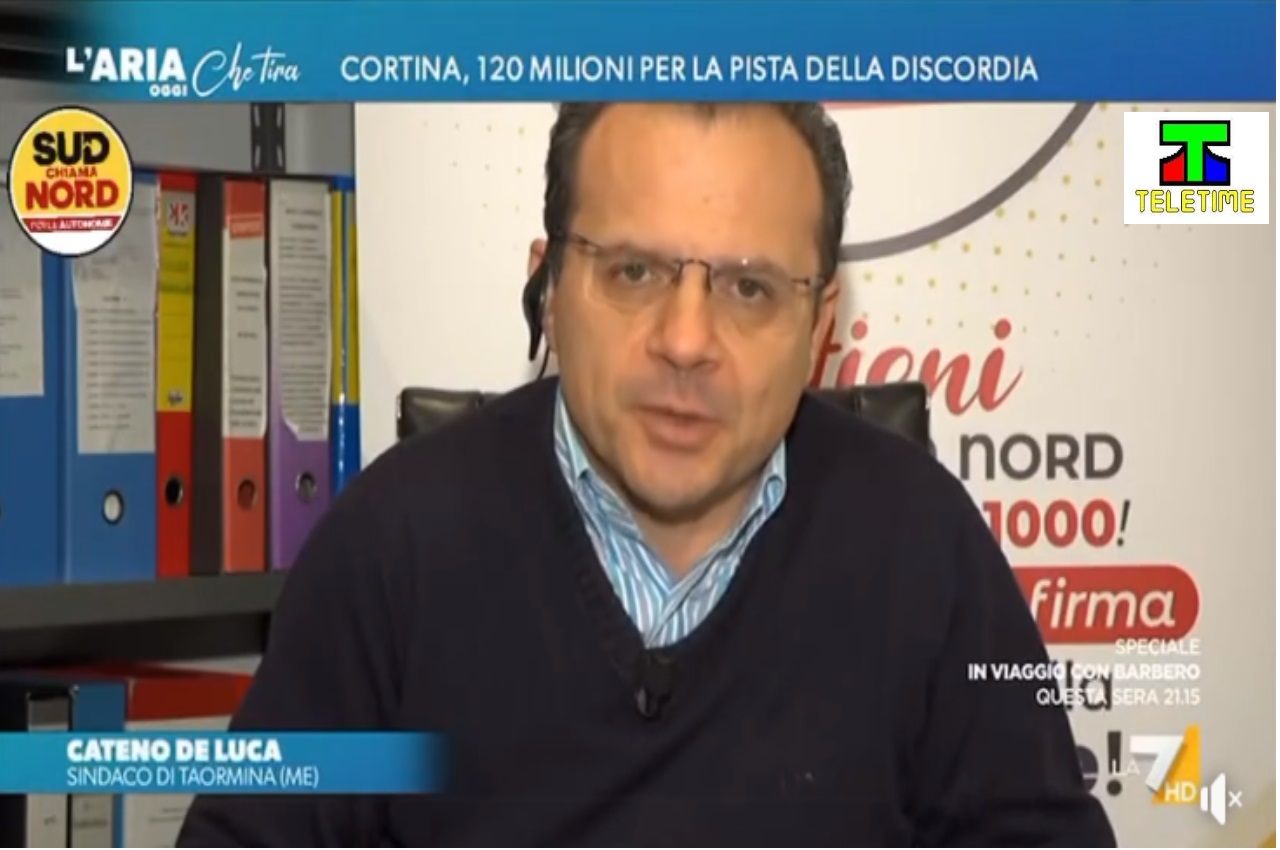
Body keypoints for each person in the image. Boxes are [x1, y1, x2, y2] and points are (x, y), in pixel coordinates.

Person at [177, 102, 1116, 847]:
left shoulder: (923, 547)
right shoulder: (394, 547)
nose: (686, 340)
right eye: (633, 273)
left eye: (749, 288)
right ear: (550, 287)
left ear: (821, 326)